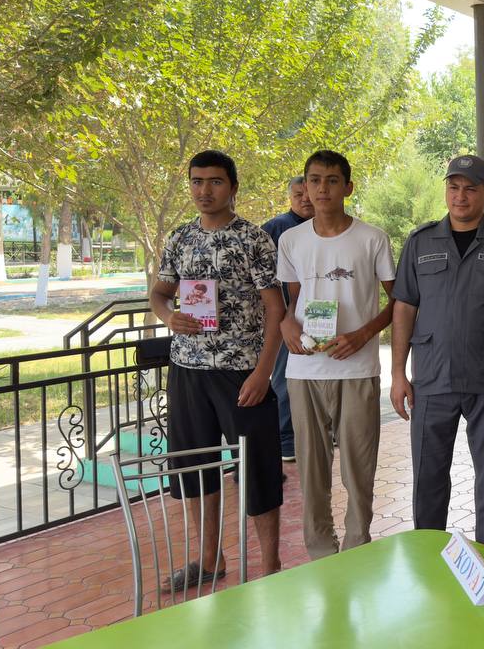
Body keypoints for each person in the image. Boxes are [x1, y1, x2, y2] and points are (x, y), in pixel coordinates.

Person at [149, 149, 285, 587]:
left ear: (233, 187)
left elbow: (276, 308)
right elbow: (159, 293)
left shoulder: (253, 239)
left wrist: (263, 372)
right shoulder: (180, 238)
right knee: (194, 468)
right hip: (187, 369)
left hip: (241, 372)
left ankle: (270, 568)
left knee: (258, 468)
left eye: (214, 181)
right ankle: (210, 561)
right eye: (197, 181)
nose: (204, 190)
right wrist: (168, 317)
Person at [389, 155, 484, 552]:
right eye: (454, 187)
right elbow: (404, 307)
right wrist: (398, 373)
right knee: (428, 478)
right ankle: (427, 560)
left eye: (470, 188)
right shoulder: (420, 242)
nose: (460, 196)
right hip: (432, 379)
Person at [277, 150, 396, 560]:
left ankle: (358, 551)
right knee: (311, 469)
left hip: (356, 368)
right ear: (304, 186)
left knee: (359, 468)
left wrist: (363, 334)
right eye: (314, 180)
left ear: (348, 187)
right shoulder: (291, 240)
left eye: (331, 180)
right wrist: (286, 324)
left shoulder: (372, 238)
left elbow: (398, 301)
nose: (321, 188)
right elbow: (292, 301)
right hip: (304, 369)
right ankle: (321, 555)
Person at [262, 176, 315, 462]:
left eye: (308, 193)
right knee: (285, 377)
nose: (305, 199)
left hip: (320, 318)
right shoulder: (277, 228)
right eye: (298, 195)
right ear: (290, 198)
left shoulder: (327, 227)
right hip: (286, 318)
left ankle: (319, 432)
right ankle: (285, 441)